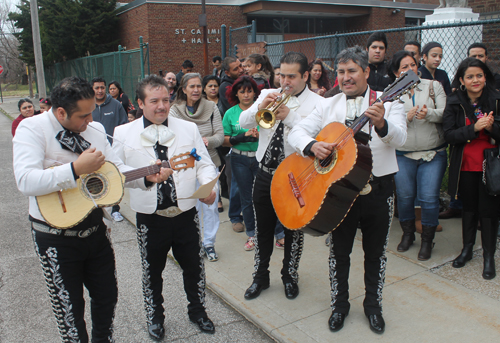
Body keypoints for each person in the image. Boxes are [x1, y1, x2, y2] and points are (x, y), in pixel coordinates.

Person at [12, 76, 151, 342]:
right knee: (69, 310)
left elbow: (115, 172)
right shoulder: (31, 129)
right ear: (61, 111)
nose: (90, 120)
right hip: (54, 236)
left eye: (91, 112)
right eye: (83, 115)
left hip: (95, 230)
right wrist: (75, 169)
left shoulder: (94, 127)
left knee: (107, 297)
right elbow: (25, 181)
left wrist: (147, 175)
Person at [288, 46, 406, 334]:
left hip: (379, 188)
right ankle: (339, 305)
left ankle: (373, 306)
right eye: (340, 72)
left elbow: (400, 138)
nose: (345, 77)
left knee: (375, 252)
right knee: (339, 251)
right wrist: (312, 145)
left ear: (366, 72)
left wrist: (381, 123)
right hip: (339, 192)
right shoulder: (328, 104)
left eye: (352, 71)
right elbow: (296, 132)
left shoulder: (389, 102)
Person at [113, 75, 218, 340]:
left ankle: (198, 311)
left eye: (165, 100)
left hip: (185, 213)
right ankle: (155, 317)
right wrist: (146, 176)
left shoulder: (188, 129)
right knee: (152, 271)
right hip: (151, 217)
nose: (161, 106)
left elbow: (203, 163)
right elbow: (117, 173)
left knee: (194, 268)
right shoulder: (123, 133)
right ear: (139, 103)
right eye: (154, 101)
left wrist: (208, 185)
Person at [239, 51, 322, 301]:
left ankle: (289, 275)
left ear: (305, 75)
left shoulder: (318, 102)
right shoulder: (266, 94)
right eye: (281, 74)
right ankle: (260, 276)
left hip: (295, 177)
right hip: (264, 172)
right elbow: (243, 123)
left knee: (292, 231)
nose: (285, 81)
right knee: (262, 229)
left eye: (292, 76)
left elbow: (315, 136)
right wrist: (260, 109)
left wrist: (291, 117)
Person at [443, 58, 500, 280]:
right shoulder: (454, 101)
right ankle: (467, 249)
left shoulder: (496, 99)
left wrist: (491, 127)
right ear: (462, 80)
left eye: (479, 75)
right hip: (465, 165)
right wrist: (474, 128)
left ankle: (488, 256)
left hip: (491, 166)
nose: (475, 80)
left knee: (488, 212)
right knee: (468, 209)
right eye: (470, 77)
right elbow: (449, 135)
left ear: (485, 77)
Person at [389, 50, 447, 260]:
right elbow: (386, 122)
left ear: (418, 67)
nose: (409, 70)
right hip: (403, 154)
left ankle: (427, 240)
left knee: (429, 198)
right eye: (404, 67)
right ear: (397, 73)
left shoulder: (434, 86)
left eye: (412, 65)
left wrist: (429, 113)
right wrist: (406, 116)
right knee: (404, 197)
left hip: (432, 153)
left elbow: (446, 113)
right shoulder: (392, 93)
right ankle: (408, 235)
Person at [169, 73, 224, 262]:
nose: (196, 90)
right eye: (191, 86)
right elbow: (173, 137)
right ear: (183, 89)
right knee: (189, 207)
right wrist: (192, 144)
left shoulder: (211, 107)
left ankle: (209, 243)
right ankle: (194, 242)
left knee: (209, 205)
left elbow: (220, 135)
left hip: (210, 162)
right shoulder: (175, 110)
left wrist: (205, 141)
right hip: (185, 166)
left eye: (198, 86)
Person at [91, 77, 128, 222]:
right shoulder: (88, 105)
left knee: (115, 179)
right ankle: (96, 208)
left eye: (102, 87)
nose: (100, 91)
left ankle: (115, 209)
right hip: (93, 151)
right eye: (96, 88)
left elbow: (123, 125)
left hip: (112, 149)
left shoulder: (115, 105)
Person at [202, 75, 225, 212]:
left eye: (215, 85)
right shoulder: (203, 105)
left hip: (224, 140)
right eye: (210, 86)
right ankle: (218, 198)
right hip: (210, 144)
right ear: (204, 88)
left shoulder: (223, 102)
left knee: (223, 171)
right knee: (213, 171)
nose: (213, 88)